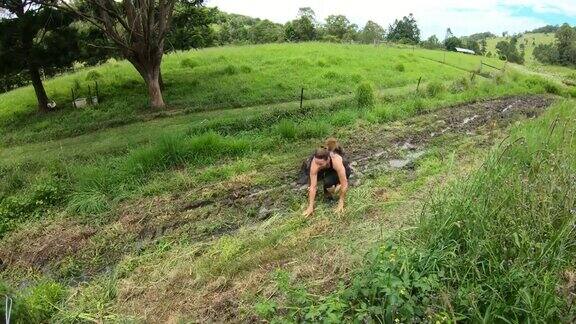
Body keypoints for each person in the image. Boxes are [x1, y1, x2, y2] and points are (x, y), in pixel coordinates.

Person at [298, 138, 352, 217]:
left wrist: (341, 203)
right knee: (324, 182)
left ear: (327, 159)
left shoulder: (337, 161)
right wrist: (310, 207)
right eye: (316, 163)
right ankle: (331, 189)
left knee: (329, 183)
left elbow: (344, 184)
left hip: (342, 170)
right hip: (328, 169)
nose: (317, 166)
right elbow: (313, 186)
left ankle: (337, 184)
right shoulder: (315, 163)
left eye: (320, 164)